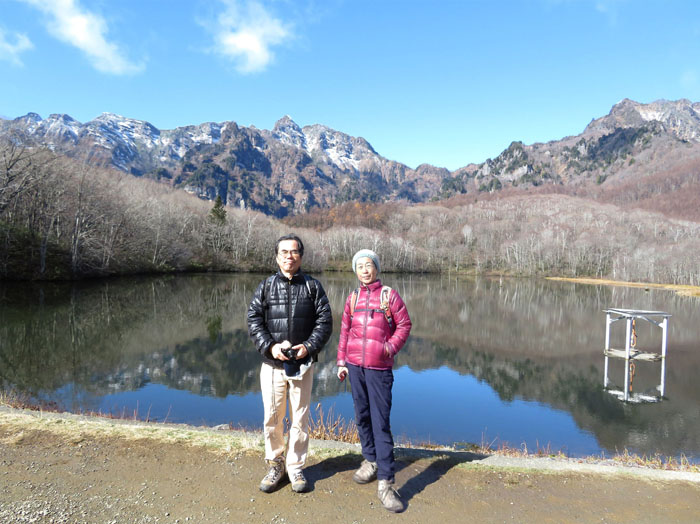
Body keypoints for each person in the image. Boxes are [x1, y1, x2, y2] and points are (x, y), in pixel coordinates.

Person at [247, 234, 332, 493]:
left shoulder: (313, 287)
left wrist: (308, 347)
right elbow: (254, 320)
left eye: (294, 252)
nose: (289, 256)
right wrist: (271, 347)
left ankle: (295, 467)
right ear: (276, 256)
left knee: (300, 418)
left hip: (303, 365)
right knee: (272, 418)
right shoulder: (265, 287)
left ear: (301, 256)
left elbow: (325, 322)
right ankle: (275, 465)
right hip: (272, 364)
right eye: (284, 252)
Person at [336, 249, 412, 513]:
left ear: (377, 268)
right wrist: (341, 362)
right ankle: (370, 461)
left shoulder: (388, 295)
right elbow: (345, 330)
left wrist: (389, 348)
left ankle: (386, 483)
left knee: (380, 423)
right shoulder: (353, 297)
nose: (365, 270)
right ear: (355, 271)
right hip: (355, 367)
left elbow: (404, 325)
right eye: (360, 266)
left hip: (379, 370)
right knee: (362, 417)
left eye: (369, 265)